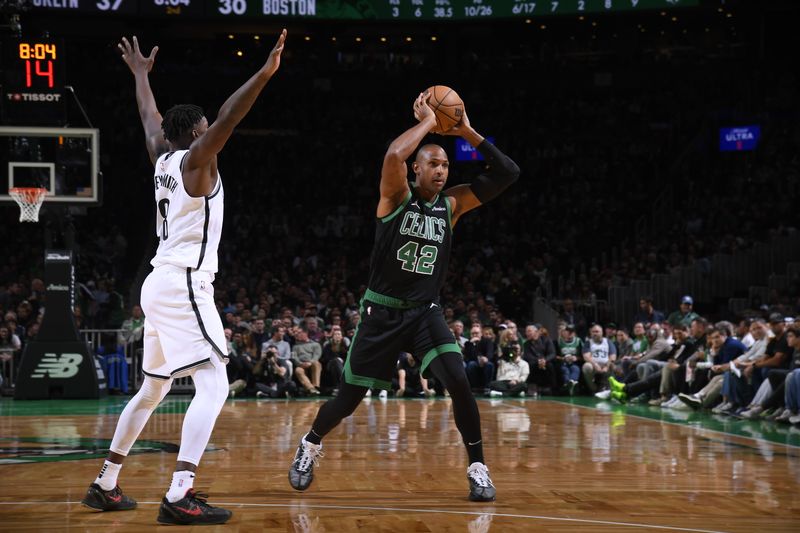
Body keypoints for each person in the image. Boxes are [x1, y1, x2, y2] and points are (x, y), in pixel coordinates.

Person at [80, 31, 287, 525]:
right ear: (197, 133)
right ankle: (179, 494)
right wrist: (264, 74)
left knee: (152, 390)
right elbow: (231, 117)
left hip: (160, 284)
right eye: (204, 127)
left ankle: (105, 484)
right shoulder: (197, 161)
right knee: (214, 383)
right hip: (184, 284)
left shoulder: (163, 156)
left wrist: (140, 76)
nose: (210, 129)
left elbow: (149, 119)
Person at [287, 91, 519, 502]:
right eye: (433, 163)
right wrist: (430, 121)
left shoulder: (452, 206)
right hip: (381, 313)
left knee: (460, 383)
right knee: (347, 398)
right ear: (416, 169)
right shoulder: (396, 197)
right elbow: (393, 154)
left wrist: (465, 130)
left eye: (446, 164)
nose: (441, 171)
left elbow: (508, 173)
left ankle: (477, 466)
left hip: (425, 314)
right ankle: (310, 443)